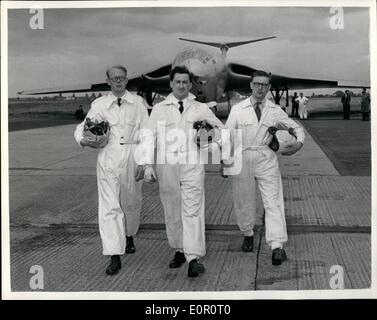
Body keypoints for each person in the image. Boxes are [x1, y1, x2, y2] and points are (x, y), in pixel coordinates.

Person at [143, 66, 224, 277]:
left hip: (192, 166)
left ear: (190, 85)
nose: (181, 85)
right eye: (177, 82)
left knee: (192, 210)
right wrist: (147, 166)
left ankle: (193, 258)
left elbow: (219, 130)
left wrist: (209, 131)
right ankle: (179, 249)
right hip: (167, 167)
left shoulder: (200, 108)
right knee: (172, 211)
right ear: (171, 84)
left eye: (185, 82)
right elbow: (148, 138)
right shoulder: (160, 109)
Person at [221, 70, 305, 265]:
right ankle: (247, 233)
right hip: (242, 157)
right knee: (243, 200)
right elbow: (227, 135)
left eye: (264, 85)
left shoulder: (274, 110)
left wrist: (298, 143)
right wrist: (225, 160)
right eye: (257, 84)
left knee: (273, 200)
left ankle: (277, 245)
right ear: (251, 85)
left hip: (266, 158)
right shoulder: (238, 109)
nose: (260, 88)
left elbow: (295, 127)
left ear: (268, 87)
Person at [74, 65, 149, 275]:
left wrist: (143, 162)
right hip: (108, 157)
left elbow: (147, 133)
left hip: (132, 157)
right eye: (114, 78)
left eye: (122, 78)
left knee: (131, 202)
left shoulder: (138, 104)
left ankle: (129, 235)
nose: (118, 81)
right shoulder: (99, 105)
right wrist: (84, 141)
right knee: (109, 207)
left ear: (127, 81)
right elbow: (82, 127)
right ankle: (114, 254)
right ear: (108, 81)